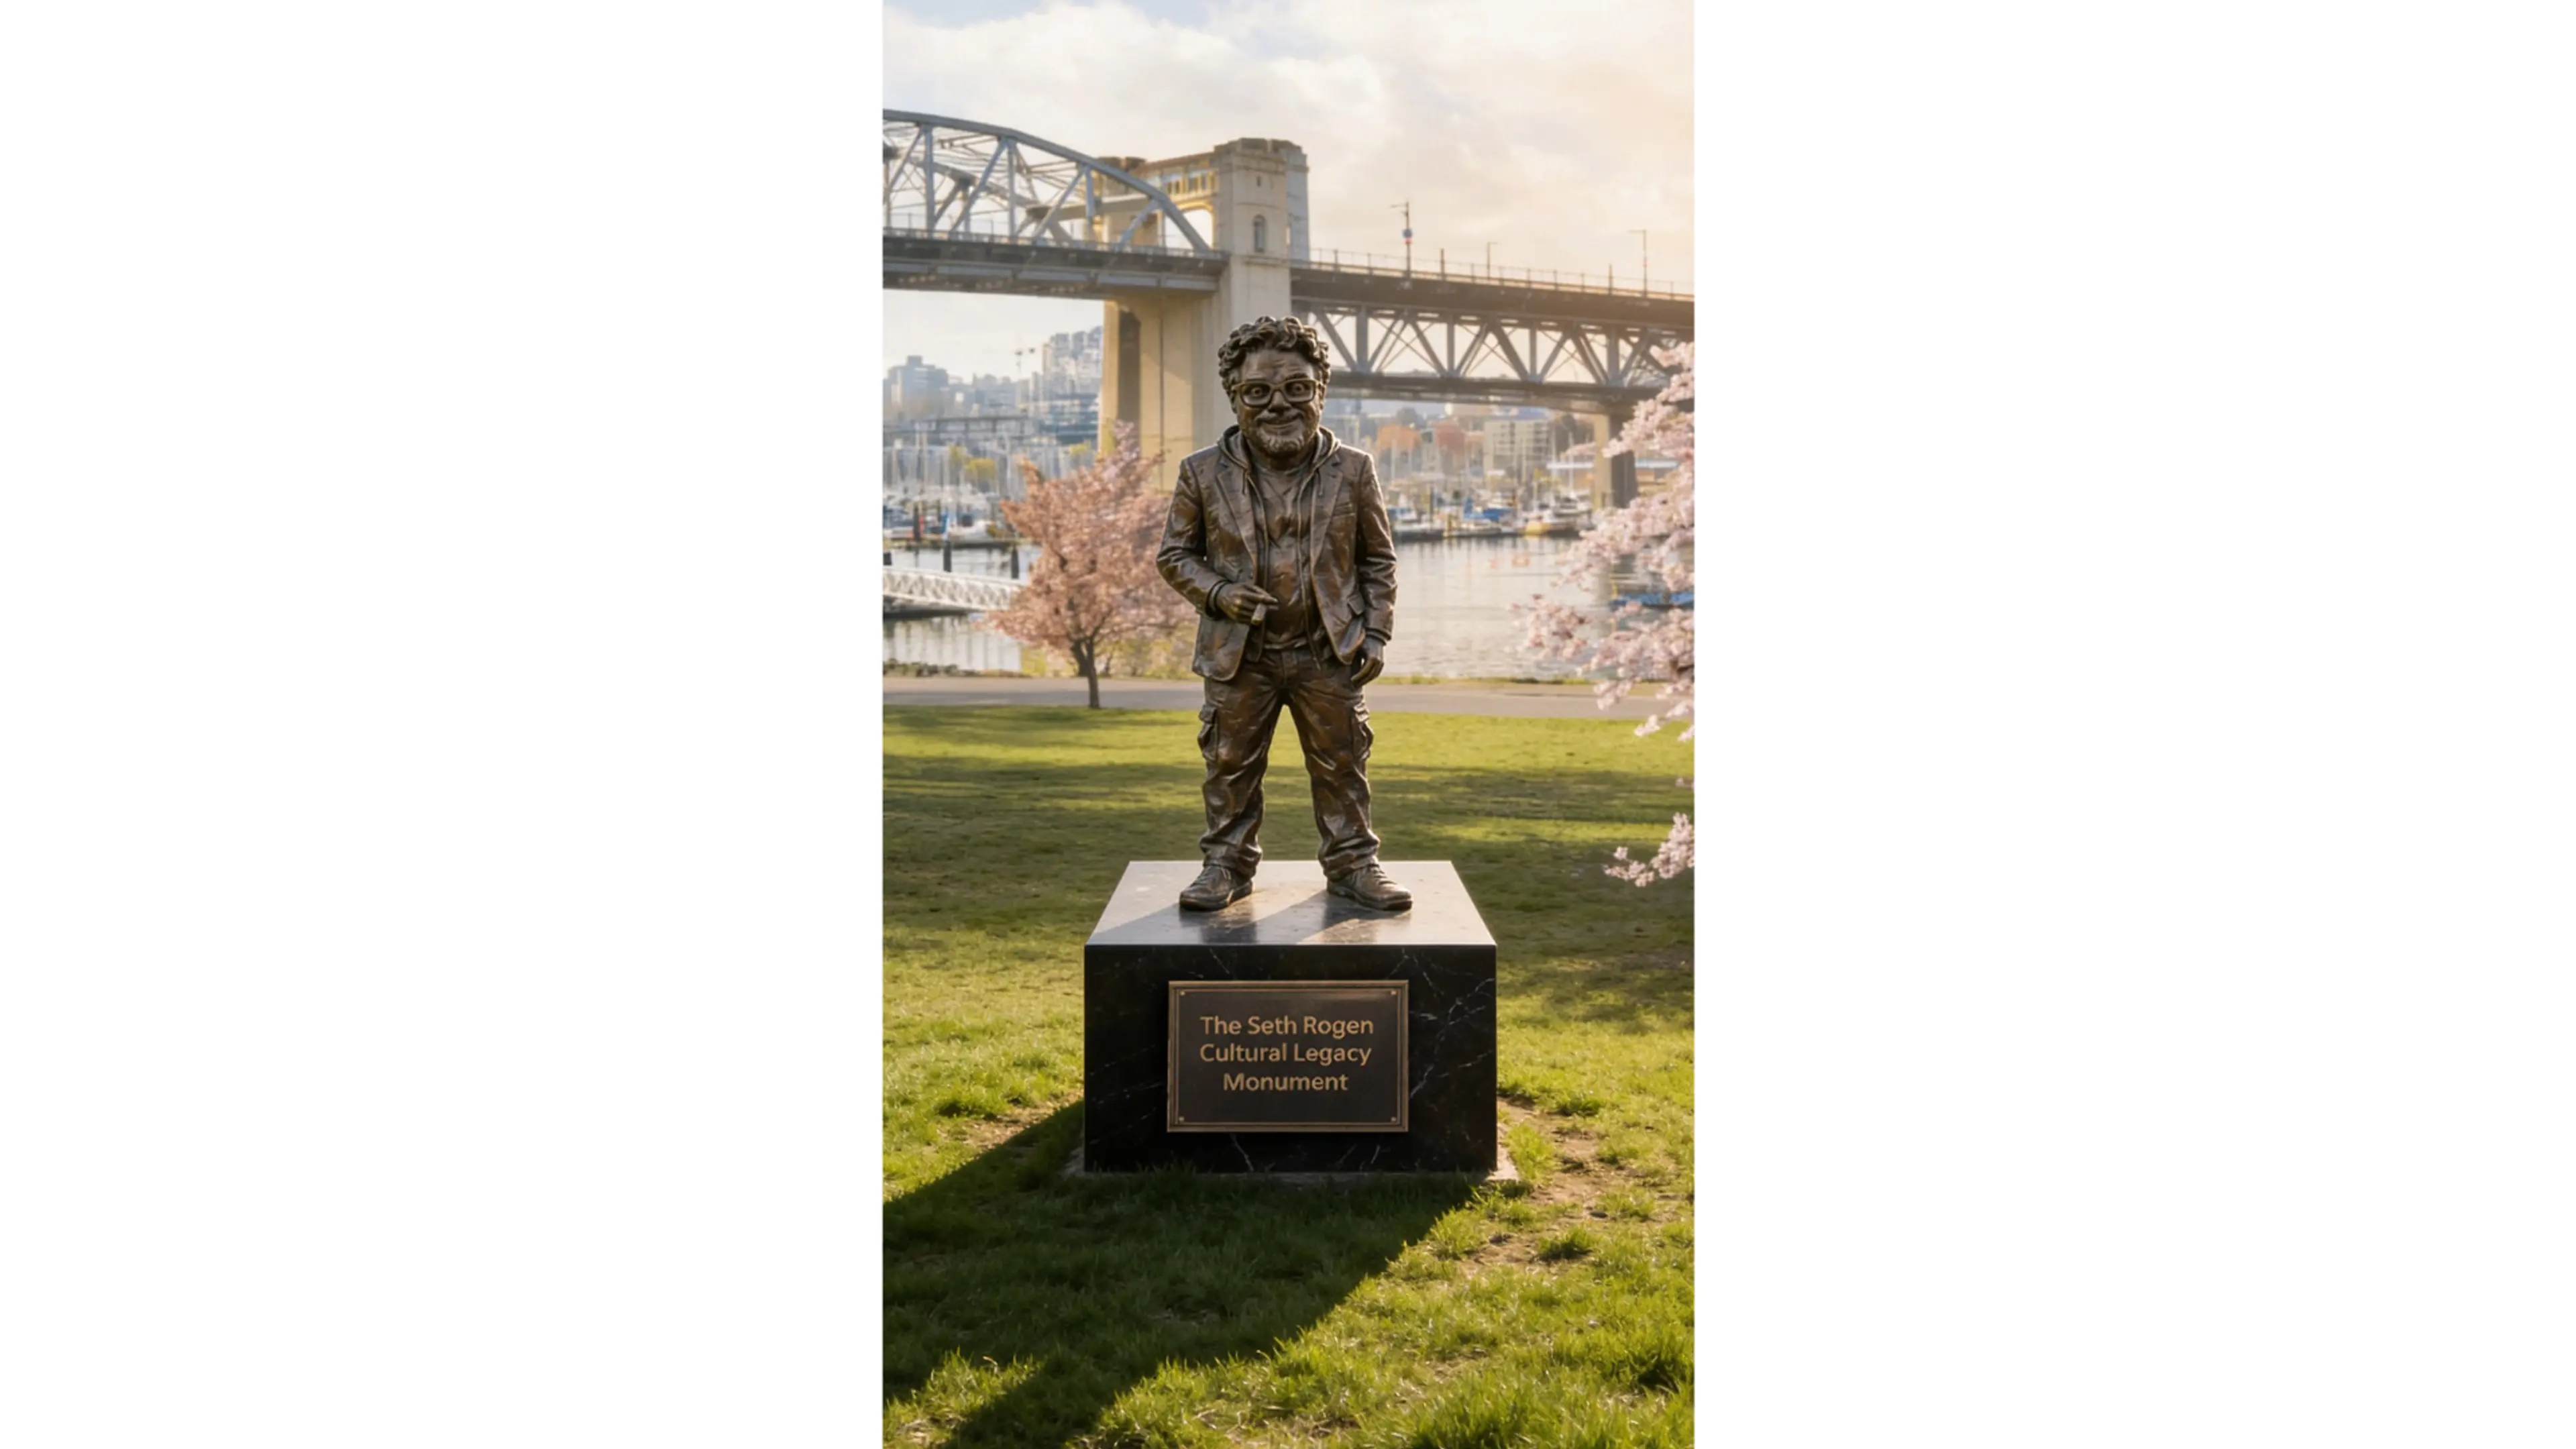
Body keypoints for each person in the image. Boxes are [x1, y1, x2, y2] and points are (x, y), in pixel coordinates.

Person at [1155, 315, 1411, 912]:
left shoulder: (1355, 470)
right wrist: (1219, 594)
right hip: (1240, 654)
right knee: (1229, 765)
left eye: (1297, 389)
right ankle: (1226, 864)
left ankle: (1354, 864)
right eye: (1258, 393)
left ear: (1320, 391)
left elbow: (1379, 561)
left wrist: (1375, 632)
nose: (1278, 406)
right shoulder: (1201, 472)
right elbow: (1174, 555)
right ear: (1235, 397)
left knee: (1344, 764)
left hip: (1330, 651)